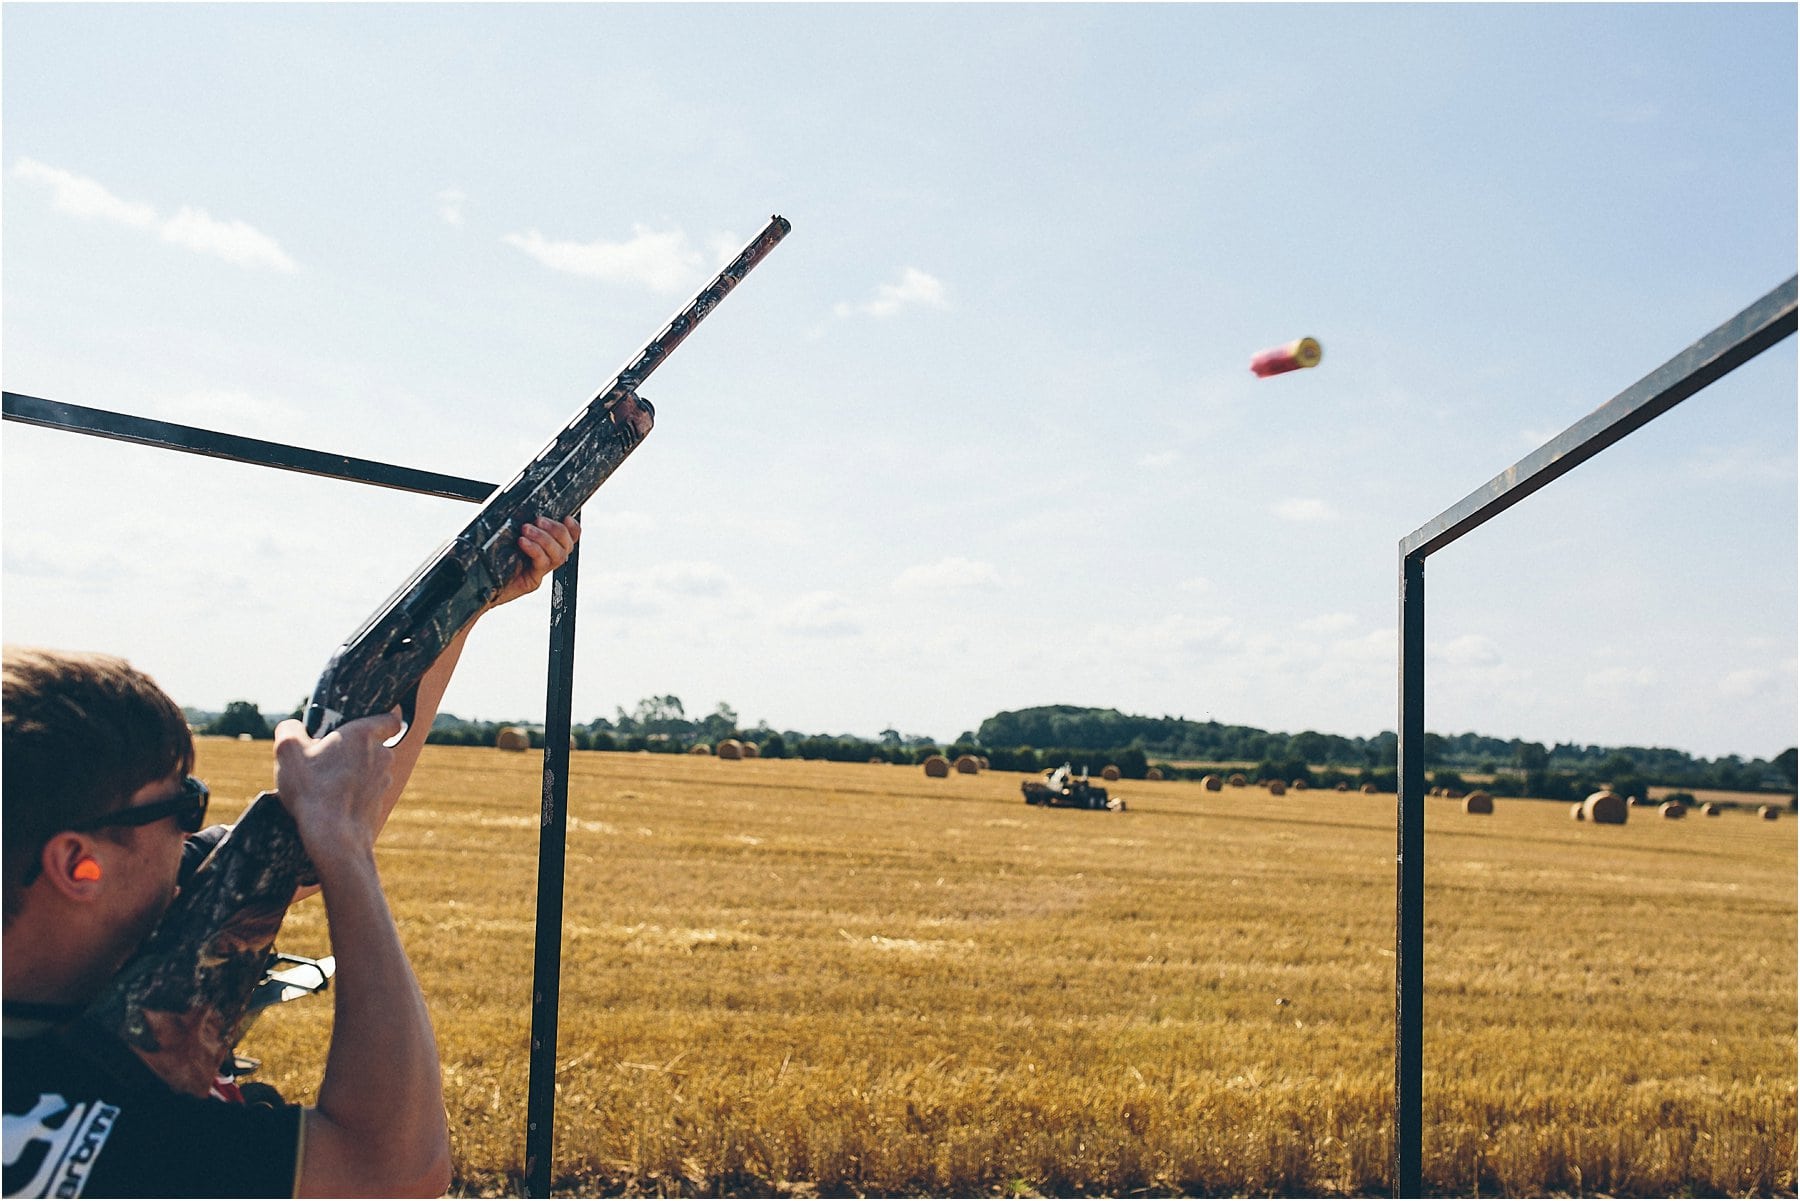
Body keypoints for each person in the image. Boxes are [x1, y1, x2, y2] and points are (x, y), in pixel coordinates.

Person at [3, 516, 580, 1198]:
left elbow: (291, 855)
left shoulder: (68, 968)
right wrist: (345, 851)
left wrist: (460, 611)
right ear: (79, 866)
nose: (198, 833)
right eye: (184, 806)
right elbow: (398, 1170)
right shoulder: (78, 1140)